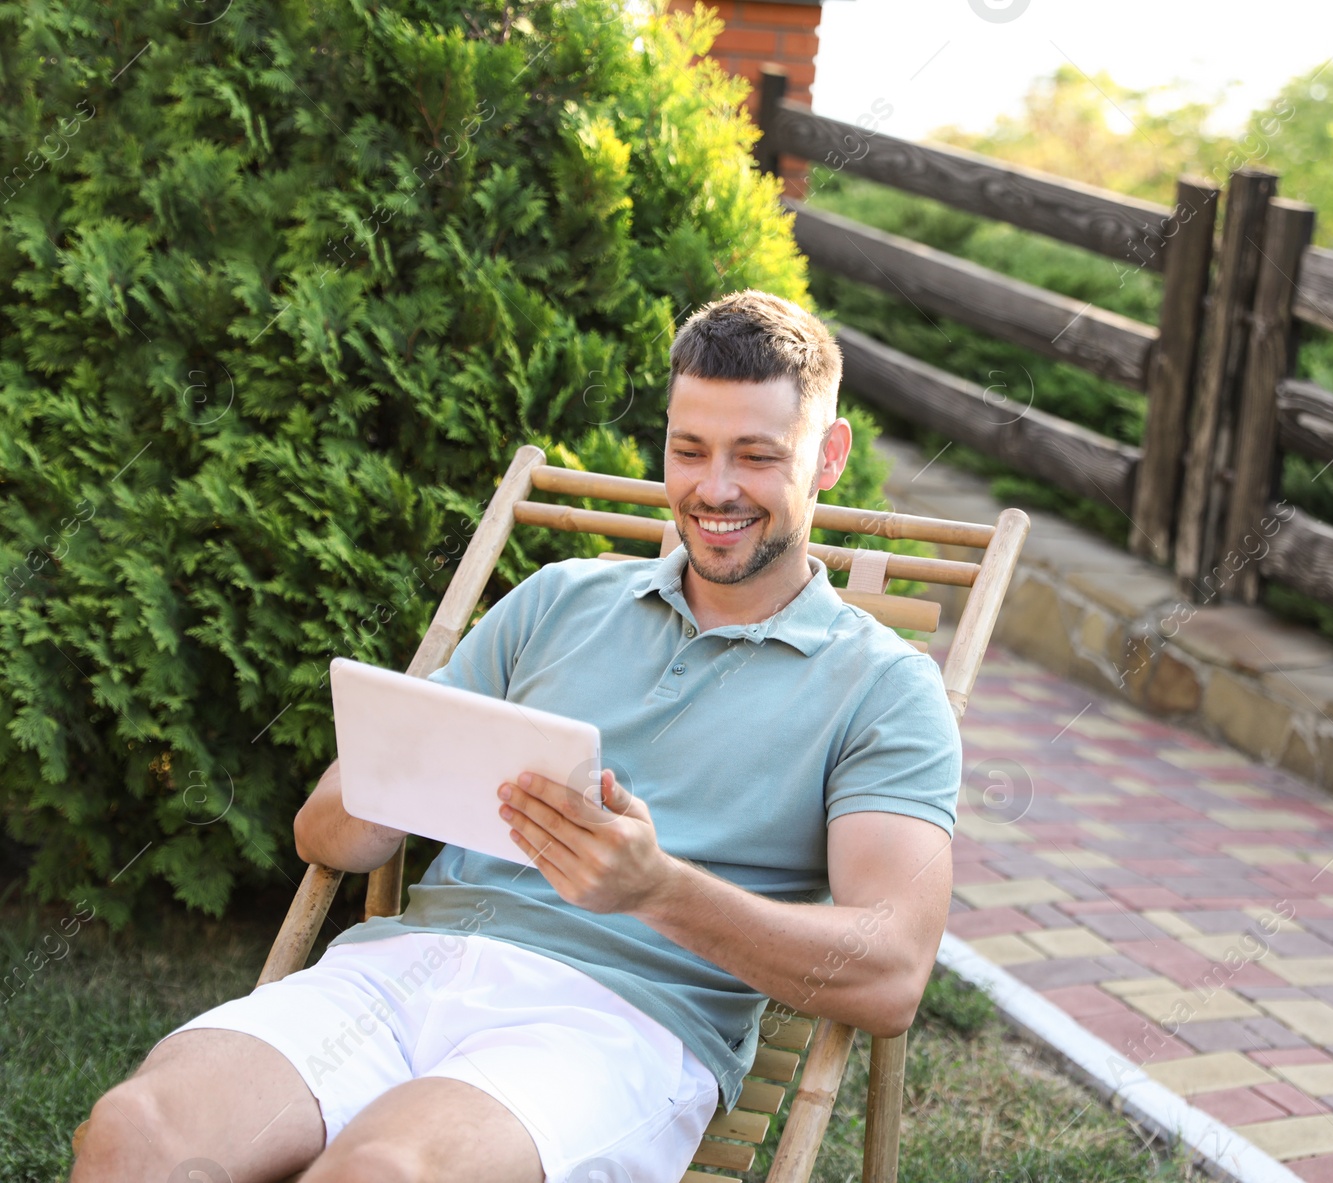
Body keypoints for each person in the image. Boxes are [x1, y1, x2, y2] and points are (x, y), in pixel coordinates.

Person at [72, 290, 963, 1183]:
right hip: (398, 975)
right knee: (133, 1134)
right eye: (688, 449)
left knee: (385, 1173)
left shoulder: (883, 688)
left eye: (757, 456)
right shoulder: (561, 599)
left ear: (829, 456)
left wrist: (655, 889)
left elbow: (890, 976)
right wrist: (390, 790)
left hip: (615, 1021)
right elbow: (323, 833)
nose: (715, 489)